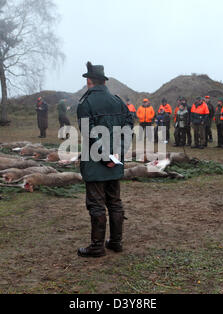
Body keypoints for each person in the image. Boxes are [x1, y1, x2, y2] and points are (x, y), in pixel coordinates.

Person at [76, 62, 134, 258]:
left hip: (95, 163)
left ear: (89, 80)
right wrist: (117, 154)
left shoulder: (86, 104)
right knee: (115, 202)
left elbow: (88, 134)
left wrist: (103, 157)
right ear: (104, 81)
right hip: (114, 162)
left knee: (97, 204)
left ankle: (97, 246)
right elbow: (128, 127)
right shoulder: (118, 101)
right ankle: (116, 242)